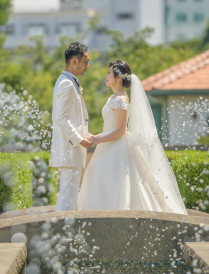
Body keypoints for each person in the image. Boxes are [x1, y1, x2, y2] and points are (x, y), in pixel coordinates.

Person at [77, 60, 187, 214]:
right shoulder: (113, 97)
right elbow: (110, 127)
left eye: (109, 73)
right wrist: (95, 136)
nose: (106, 76)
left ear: (119, 77)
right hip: (107, 145)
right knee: (100, 174)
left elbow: (120, 130)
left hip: (117, 146)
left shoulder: (121, 99)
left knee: (115, 179)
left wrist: (97, 140)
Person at [50, 42, 91, 211]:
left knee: (70, 195)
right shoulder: (66, 83)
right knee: (68, 196)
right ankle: (62, 232)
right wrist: (79, 139)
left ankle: (65, 231)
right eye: (86, 62)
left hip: (70, 149)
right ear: (75, 61)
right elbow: (61, 118)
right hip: (70, 149)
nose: (88, 66)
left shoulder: (68, 81)